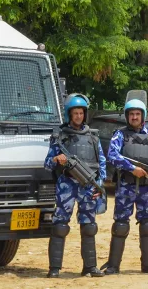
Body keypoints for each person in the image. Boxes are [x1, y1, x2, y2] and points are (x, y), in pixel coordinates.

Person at [101, 90, 148, 275]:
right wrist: (132, 168)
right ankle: (113, 265)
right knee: (120, 225)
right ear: (127, 116)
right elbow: (112, 156)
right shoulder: (120, 135)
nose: (134, 117)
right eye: (131, 114)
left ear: (143, 116)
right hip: (126, 185)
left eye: (137, 114)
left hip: (147, 187)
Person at [45, 93, 107, 278]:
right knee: (59, 226)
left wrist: (100, 185)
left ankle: (90, 267)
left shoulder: (93, 137)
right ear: (69, 114)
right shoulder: (60, 137)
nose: (78, 116)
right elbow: (47, 164)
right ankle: (54, 268)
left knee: (89, 227)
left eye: (81, 113)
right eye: (75, 113)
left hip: (88, 186)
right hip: (66, 186)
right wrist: (56, 159)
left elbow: (102, 164)